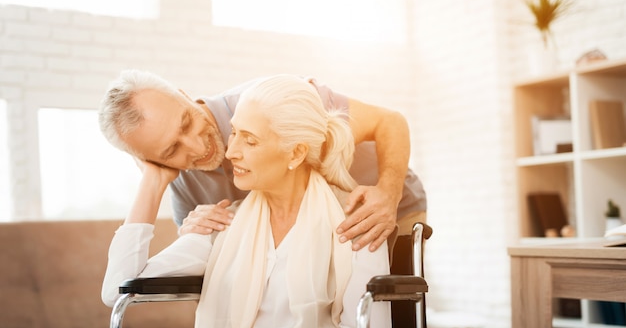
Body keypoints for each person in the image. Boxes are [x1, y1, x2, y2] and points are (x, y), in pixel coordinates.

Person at [101, 74, 391, 328]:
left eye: (249, 140)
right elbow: (118, 289)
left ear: (295, 152)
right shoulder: (223, 222)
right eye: (234, 132)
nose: (231, 151)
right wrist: (152, 181)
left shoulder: (358, 221)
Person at [98, 70, 426, 253]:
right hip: (323, 236)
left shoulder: (268, 102)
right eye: (171, 151)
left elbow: (389, 122)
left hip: (390, 202)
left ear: (185, 95)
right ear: (151, 161)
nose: (197, 147)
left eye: (187, 122)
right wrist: (192, 231)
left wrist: (389, 192)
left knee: (395, 327)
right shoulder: (182, 183)